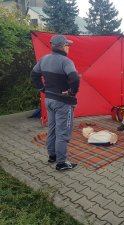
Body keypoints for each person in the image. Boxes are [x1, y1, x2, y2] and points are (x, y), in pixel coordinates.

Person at [31, 34, 80, 171]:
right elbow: (75, 78)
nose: (68, 47)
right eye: (67, 45)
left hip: (49, 100)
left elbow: (33, 75)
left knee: (52, 129)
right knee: (63, 132)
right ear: (63, 46)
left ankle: (52, 155)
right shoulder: (66, 61)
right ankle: (61, 163)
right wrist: (72, 92)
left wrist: (42, 88)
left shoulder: (44, 59)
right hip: (63, 102)